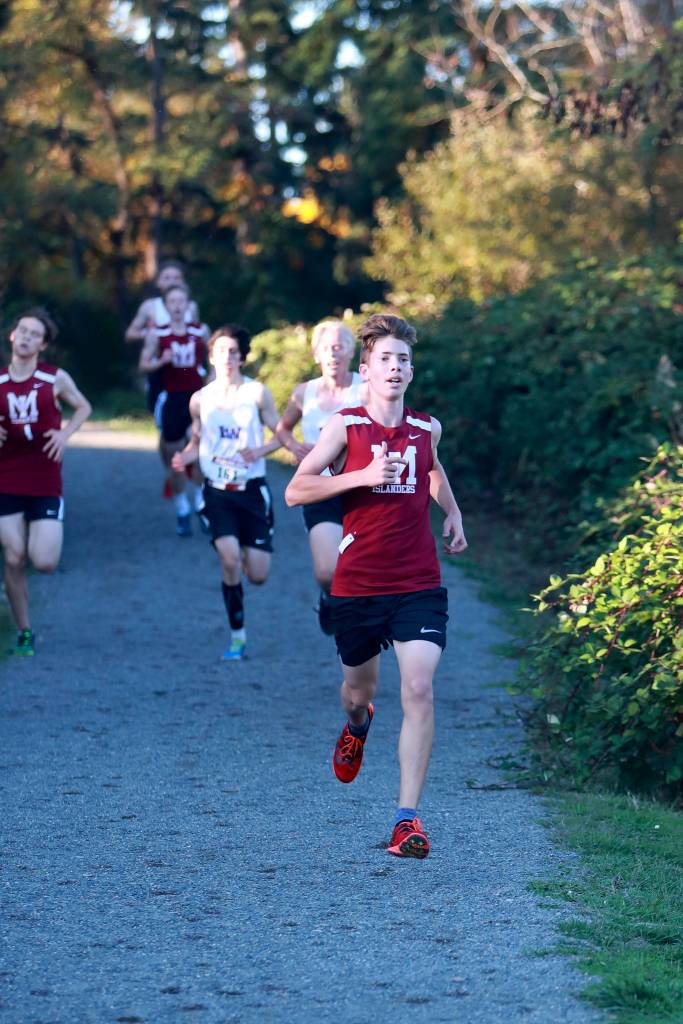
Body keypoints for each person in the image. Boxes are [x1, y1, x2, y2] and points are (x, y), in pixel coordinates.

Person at [285, 313, 467, 858]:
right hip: (359, 584)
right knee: (359, 693)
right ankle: (358, 727)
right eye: (385, 359)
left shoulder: (425, 429)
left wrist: (452, 513)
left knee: (418, 687)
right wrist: (361, 477)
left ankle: (406, 820)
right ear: (366, 369)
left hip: (417, 582)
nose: (396, 367)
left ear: (411, 373)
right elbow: (298, 490)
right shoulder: (344, 426)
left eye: (404, 360)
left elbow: (432, 470)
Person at [172, 325, 281, 660]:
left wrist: (258, 452)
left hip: (251, 492)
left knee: (258, 575)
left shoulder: (258, 393)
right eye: (222, 351)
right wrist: (185, 457)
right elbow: (198, 441)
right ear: (212, 356)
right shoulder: (199, 399)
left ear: (242, 356)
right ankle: (237, 636)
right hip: (217, 492)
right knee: (230, 558)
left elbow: (281, 436)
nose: (228, 357)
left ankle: (249, 557)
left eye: (234, 351)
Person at [0, 309, 92, 656]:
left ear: (43, 344)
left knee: (44, 562)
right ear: (12, 336)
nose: (25, 337)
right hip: (5, 477)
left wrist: (65, 433)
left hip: (44, 479)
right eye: (21, 330)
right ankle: (24, 630)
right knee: (13, 557)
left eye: (33, 334)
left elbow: (83, 407)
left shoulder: (54, 378)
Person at [276, 320, 367, 635]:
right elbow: (283, 428)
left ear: (352, 352)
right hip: (320, 491)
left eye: (339, 347)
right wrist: (295, 448)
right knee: (328, 571)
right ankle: (329, 597)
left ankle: (363, 621)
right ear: (316, 354)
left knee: (363, 568)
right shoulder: (304, 393)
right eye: (326, 348)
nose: (333, 354)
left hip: (361, 490)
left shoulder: (366, 390)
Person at [139, 284, 206, 536]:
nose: (177, 306)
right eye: (172, 302)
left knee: (199, 450)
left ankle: (200, 500)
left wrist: (212, 381)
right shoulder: (157, 334)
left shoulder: (201, 331)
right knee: (176, 458)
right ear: (166, 307)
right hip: (171, 401)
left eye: (182, 301)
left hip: (197, 398)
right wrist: (161, 361)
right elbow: (143, 364)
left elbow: (212, 363)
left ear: (188, 305)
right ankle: (182, 508)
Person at [124, 260, 203, 414]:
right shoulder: (150, 306)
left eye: (176, 278)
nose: (171, 281)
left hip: (188, 371)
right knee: (167, 422)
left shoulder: (191, 306)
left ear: (183, 281)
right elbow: (130, 334)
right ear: (158, 282)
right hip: (161, 369)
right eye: (166, 277)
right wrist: (151, 333)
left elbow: (197, 336)